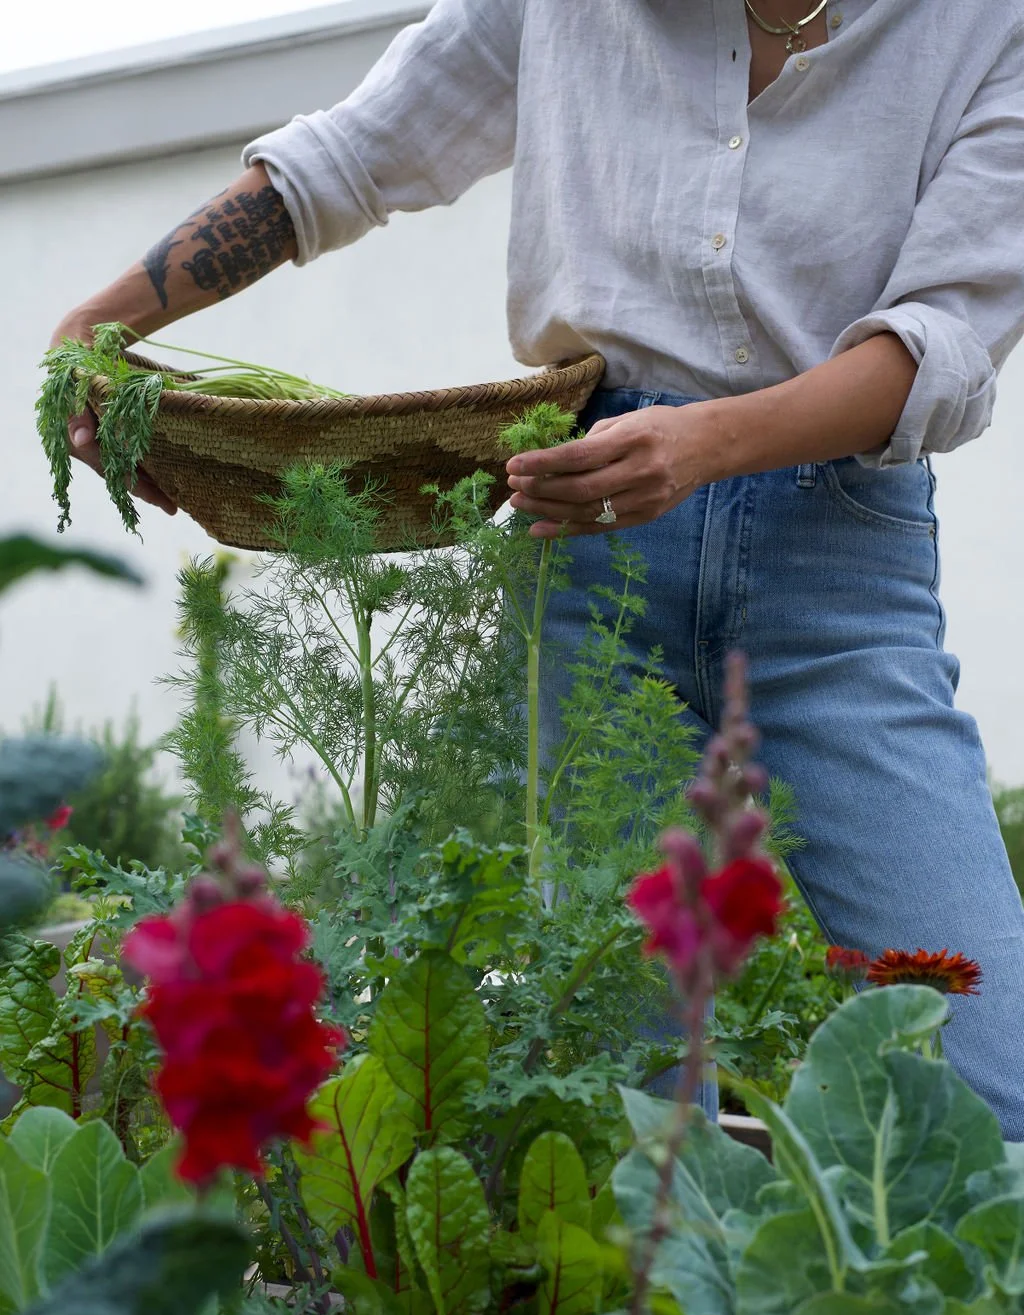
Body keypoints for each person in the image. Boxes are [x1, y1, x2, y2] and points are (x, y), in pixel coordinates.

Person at [53, 0, 1024, 1135]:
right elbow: (358, 152)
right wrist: (95, 322)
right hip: (588, 548)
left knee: (989, 1073)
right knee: (634, 1095)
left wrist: (704, 445)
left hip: (841, 572)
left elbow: (944, 342)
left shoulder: (981, 23)